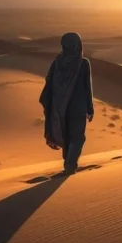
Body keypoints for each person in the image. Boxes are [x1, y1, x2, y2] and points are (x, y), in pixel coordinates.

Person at [39, 32, 95, 175]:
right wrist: (90, 107)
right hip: (78, 108)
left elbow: (49, 82)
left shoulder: (57, 62)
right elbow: (87, 87)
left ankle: (68, 164)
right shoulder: (83, 63)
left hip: (60, 107)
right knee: (77, 138)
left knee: (67, 137)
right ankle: (70, 165)